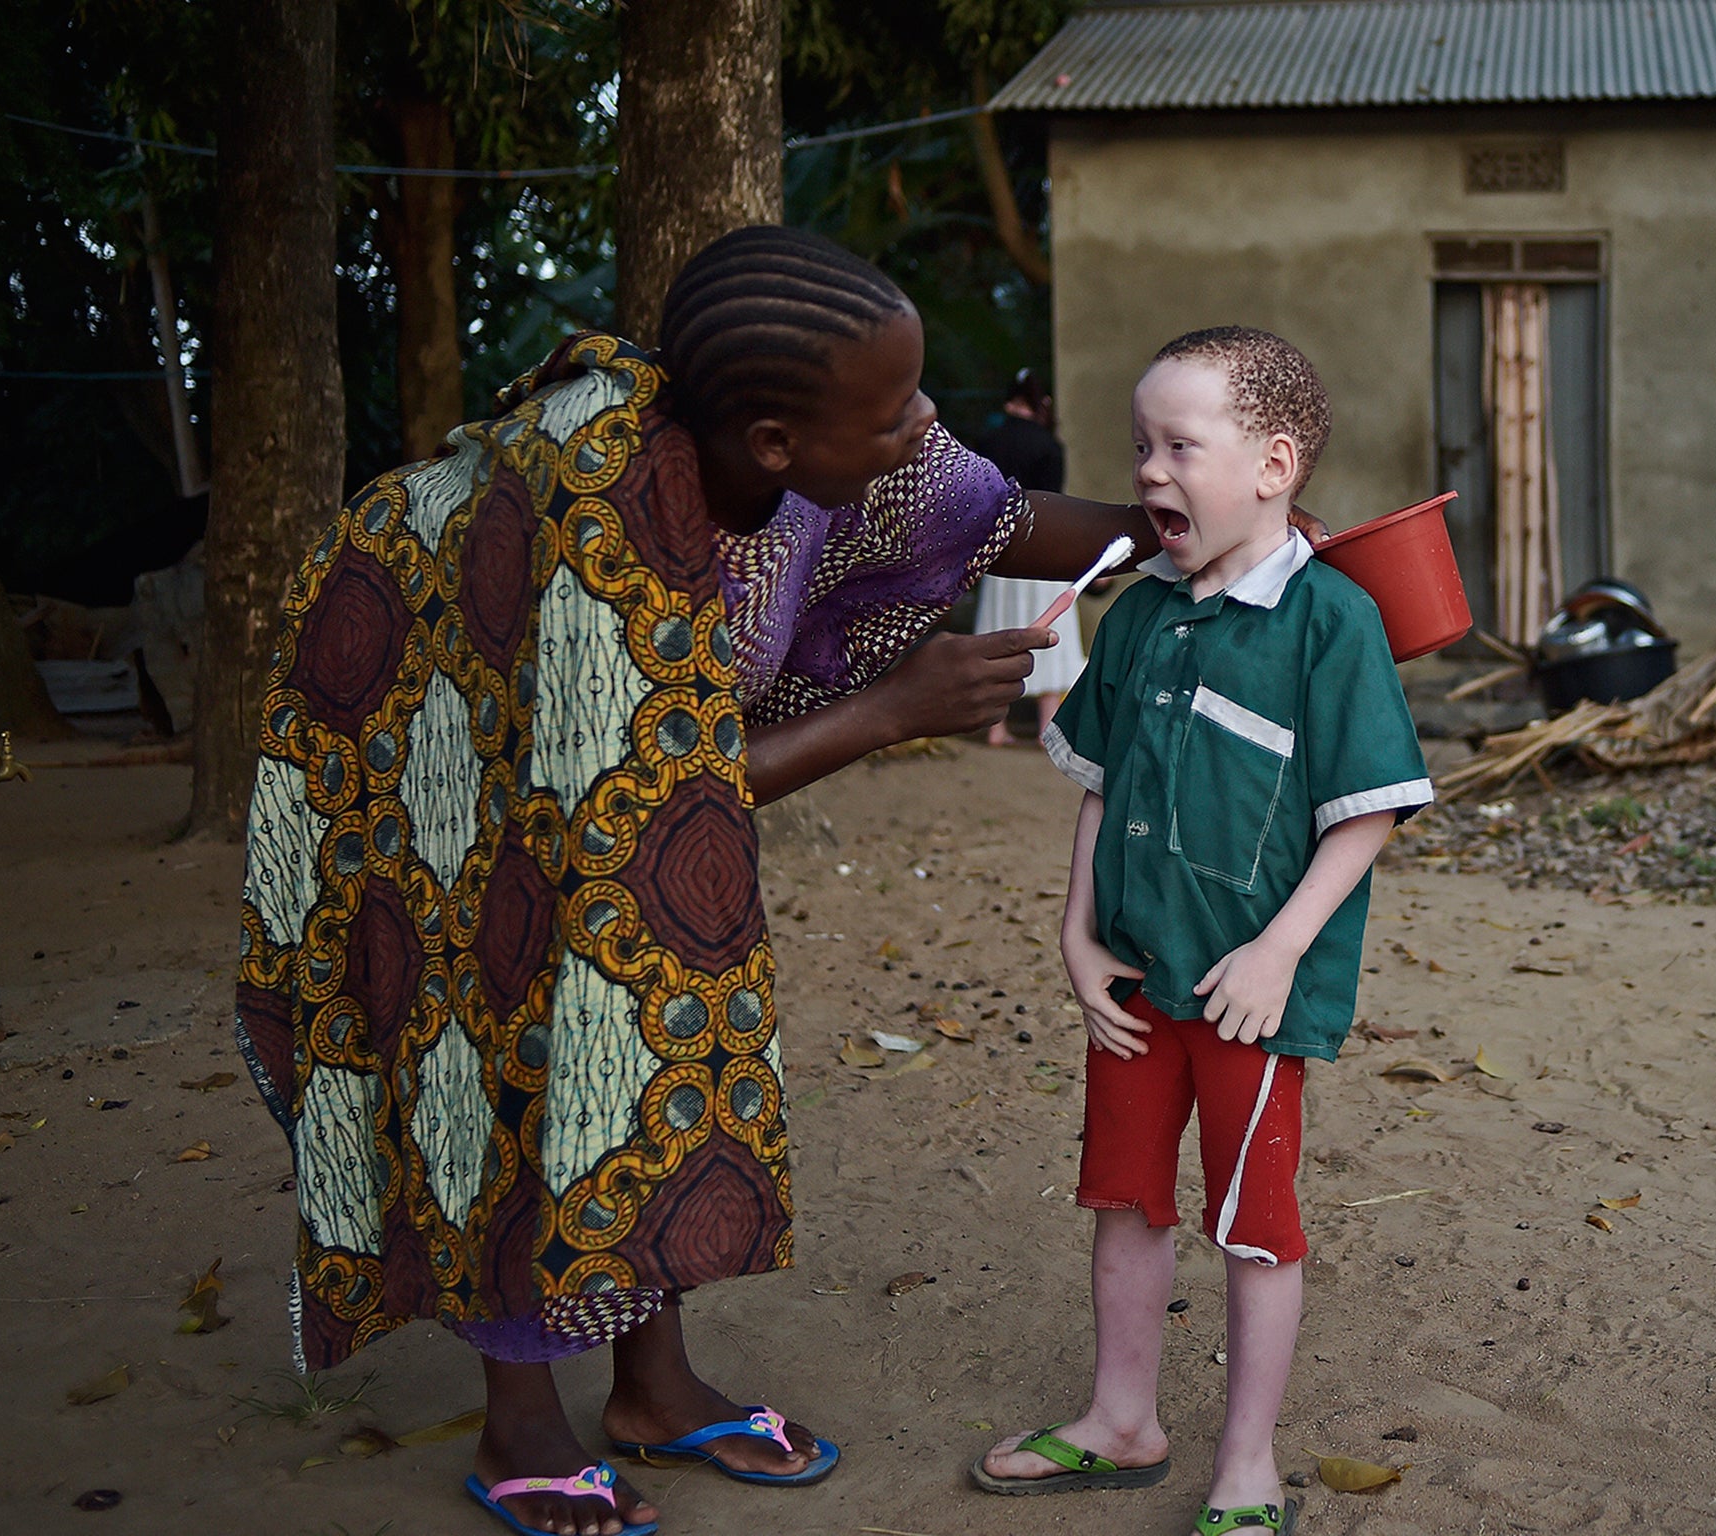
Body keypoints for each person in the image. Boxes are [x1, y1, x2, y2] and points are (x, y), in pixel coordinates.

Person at [235, 225, 1168, 1536]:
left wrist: (1183, 526)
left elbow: (992, 516)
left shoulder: (802, 453)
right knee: (508, 1034)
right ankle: (520, 1419)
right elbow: (627, 800)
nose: (925, 425)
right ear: (781, 445)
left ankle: (655, 1391)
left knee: (653, 1013)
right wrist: (890, 713)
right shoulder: (598, 514)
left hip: (615, 765)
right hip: (433, 738)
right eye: (895, 408)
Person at [971, 327, 1433, 1535]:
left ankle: (1248, 1463)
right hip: (1130, 982)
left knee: (1251, 1226)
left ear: (1273, 463)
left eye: (1181, 445)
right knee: (1123, 1202)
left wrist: (1278, 951)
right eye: (1140, 446)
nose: (1149, 471)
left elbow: (1368, 814)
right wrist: (1074, 937)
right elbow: (1097, 788)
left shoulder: (1328, 623)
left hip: (1248, 995)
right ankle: (1120, 1418)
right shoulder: (1134, 619)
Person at [970, 369, 1084, 746]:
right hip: (1043, 552)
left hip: (998, 553)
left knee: (999, 628)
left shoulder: (987, 441)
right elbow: (1055, 504)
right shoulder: (1049, 446)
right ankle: (1045, 725)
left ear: (1009, 401)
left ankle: (996, 727)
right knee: (1050, 628)